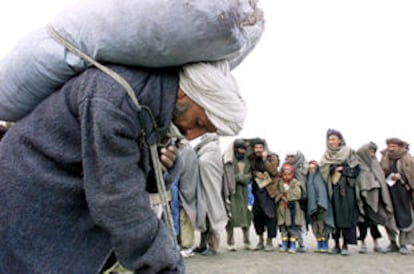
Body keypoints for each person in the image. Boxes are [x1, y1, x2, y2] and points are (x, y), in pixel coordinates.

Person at [0, 60, 247, 273]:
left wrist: (161, 167)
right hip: (27, 205)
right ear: (183, 93)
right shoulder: (114, 100)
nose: (192, 135)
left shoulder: (154, 109)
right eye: (198, 122)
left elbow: (139, 177)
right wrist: (165, 267)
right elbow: (118, 199)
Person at [319, 129, 360, 256]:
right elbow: (323, 169)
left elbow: (357, 170)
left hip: (346, 190)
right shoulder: (326, 155)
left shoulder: (349, 152)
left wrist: (344, 169)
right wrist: (332, 169)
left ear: (340, 140)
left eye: (334, 139)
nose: (331, 142)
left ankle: (345, 245)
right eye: (329, 139)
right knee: (334, 216)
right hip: (332, 190)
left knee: (346, 217)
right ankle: (336, 244)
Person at [355, 142, 397, 254]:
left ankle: (376, 244)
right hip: (362, 198)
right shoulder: (357, 164)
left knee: (375, 222)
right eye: (370, 151)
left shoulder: (375, 163)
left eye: (374, 151)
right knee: (362, 222)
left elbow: (381, 178)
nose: (372, 154)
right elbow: (357, 181)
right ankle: (362, 244)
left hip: (377, 197)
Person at [191, 132, 227, 256]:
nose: (203, 138)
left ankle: (213, 247)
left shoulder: (213, 149)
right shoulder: (202, 148)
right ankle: (202, 244)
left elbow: (205, 162)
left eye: (206, 136)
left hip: (211, 187)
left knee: (212, 216)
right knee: (203, 217)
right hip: (202, 186)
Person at [380, 138, 414, 255]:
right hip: (388, 192)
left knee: (404, 216)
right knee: (389, 217)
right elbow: (380, 172)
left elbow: (412, 174)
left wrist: (402, 176)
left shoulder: (407, 158)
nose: (391, 148)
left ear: (399, 146)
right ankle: (392, 242)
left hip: (403, 193)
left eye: (393, 146)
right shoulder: (385, 157)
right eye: (389, 146)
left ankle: (403, 243)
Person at [249, 138, 280, 252]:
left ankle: (269, 241)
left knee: (270, 216)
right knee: (257, 216)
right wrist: (255, 173)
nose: (258, 150)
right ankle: (260, 240)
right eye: (256, 148)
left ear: (264, 148)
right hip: (257, 192)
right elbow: (250, 171)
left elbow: (274, 172)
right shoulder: (252, 159)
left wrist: (264, 159)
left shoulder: (272, 157)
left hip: (269, 192)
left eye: (260, 148)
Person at [223, 138, 253, 251]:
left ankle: (247, 241)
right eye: (240, 148)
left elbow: (249, 176)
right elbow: (229, 175)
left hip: (244, 193)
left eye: (244, 149)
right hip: (232, 192)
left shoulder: (247, 161)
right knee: (231, 218)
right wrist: (240, 178)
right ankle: (230, 242)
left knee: (246, 217)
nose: (242, 151)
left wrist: (240, 178)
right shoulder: (229, 160)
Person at [306, 160, 334, 253]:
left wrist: (321, 203)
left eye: (314, 168)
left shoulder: (321, 178)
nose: (312, 170)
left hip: (321, 206)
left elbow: (323, 191)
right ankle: (319, 242)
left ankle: (325, 243)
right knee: (315, 225)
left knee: (322, 225)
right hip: (311, 206)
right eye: (310, 168)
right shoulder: (308, 178)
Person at [284, 150, 309, 252]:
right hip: (286, 201)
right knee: (288, 222)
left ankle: (301, 243)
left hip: (301, 201)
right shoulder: (284, 168)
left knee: (300, 222)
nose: (290, 159)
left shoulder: (304, 169)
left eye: (292, 157)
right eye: (288, 156)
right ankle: (289, 242)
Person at [276, 163, 302, 253]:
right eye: (285, 174)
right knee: (283, 227)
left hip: (293, 208)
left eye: (289, 174)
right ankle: (284, 244)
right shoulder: (280, 182)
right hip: (282, 208)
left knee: (292, 227)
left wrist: (287, 195)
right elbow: (277, 193)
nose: (287, 176)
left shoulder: (295, 182)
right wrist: (281, 197)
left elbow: (297, 194)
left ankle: (293, 244)